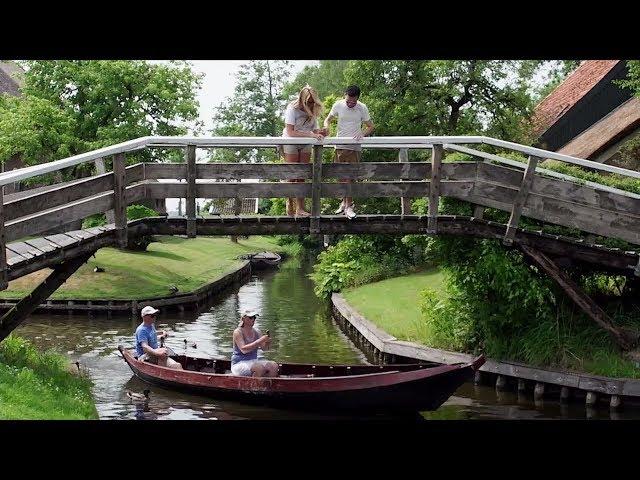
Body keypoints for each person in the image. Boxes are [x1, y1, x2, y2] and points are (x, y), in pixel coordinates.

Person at [323, 85, 375, 219]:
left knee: (351, 177)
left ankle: (349, 205)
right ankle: (344, 202)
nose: (351, 104)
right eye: (348, 101)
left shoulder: (362, 107)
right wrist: (326, 127)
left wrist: (362, 134)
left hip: (355, 147)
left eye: (353, 102)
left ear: (358, 99)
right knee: (341, 177)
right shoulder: (338, 105)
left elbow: (371, 126)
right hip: (340, 146)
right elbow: (327, 119)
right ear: (344, 96)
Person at [281, 85, 326, 217]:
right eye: (309, 102)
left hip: (306, 142)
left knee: (302, 176)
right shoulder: (292, 109)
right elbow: (290, 132)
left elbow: (315, 129)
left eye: (313, 101)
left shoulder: (313, 109)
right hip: (291, 141)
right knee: (292, 175)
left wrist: (322, 132)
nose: (311, 104)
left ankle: (300, 208)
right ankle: (290, 203)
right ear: (302, 100)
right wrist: (311, 135)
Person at [231, 310, 279, 377]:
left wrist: (267, 342)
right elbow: (244, 350)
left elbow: (264, 349)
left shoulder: (257, 331)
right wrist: (260, 340)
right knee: (259, 368)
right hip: (239, 364)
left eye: (254, 317)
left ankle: (269, 386)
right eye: (251, 317)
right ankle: (256, 387)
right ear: (243, 319)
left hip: (254, 361)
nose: (253, 319)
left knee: (274, 366)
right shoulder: (237, 332)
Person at [135, 305, 183, 370]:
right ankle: (162, 371)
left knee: (177, 365)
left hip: (154, 354)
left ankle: (164, 370)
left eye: (155, 315)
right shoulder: (141, 330)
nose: (154, 317)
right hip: (144, 357)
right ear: (145, 317)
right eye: (152, 316)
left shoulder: (151, 325)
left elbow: (152, 334)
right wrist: (157, 353)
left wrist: (162, 333)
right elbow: (145, 347)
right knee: (163, 352)